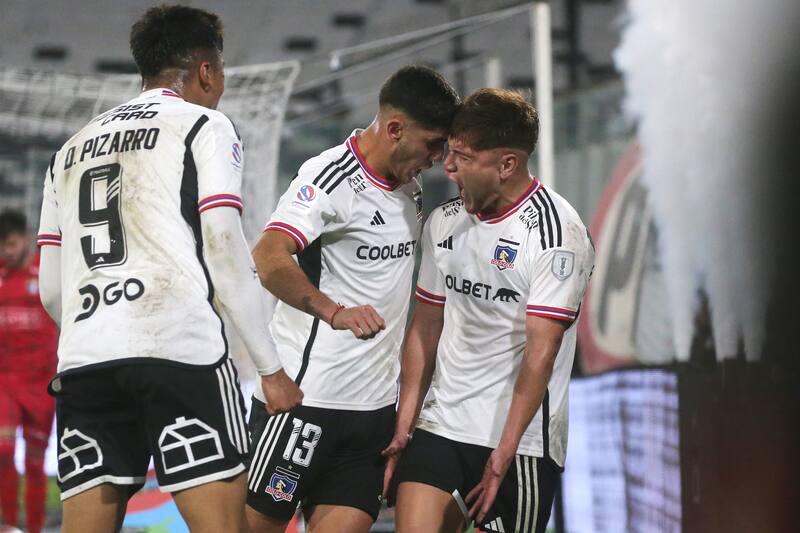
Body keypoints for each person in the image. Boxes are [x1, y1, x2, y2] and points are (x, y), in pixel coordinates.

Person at [35, 5, 302, 532]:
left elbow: (50, 288)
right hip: (181, 353)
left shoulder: (69, 150)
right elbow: (224, 247)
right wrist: (271, 371)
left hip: (86, 360)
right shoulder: (203, 124)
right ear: (207, 70)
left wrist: (99, 331)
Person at [246, 65, 460, 533]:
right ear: (396, 128)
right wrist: (333, 312)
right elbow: (267, 256)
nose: (438, 158)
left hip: (373, 417)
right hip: (305, 405)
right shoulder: (329, 176)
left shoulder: (410, 184)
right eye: (432, 144)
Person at [384, 88, 595, 533]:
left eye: (463, 156)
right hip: (443, 424)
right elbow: (425, 328)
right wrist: (406, 424)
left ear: (506, 165)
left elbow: (542, 354)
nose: (449, 166)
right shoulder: (443, 222)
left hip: (521, 443)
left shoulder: (558, 236)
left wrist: (505, 452)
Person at [0, 210, 58, 533]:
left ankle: (33, 529)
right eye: (2, 247)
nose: (7, 252)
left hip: (40, 384)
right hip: (5, 381)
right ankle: (9, 525)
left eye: (11, 244)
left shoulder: (46, 273)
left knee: (35, 463)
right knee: (3, 451)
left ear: (24, 237)